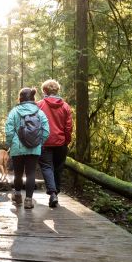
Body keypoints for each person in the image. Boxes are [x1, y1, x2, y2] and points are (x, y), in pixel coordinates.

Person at [5, 88, 49, 209]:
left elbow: (9, 131)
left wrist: (10, 144)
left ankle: (18, 195)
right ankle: (28, 200)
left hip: (17, 148)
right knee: (31, 174)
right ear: (33, 98)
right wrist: (39, 143)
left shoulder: (14, 112)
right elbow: (46, 131)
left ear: (20, 98)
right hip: (34, 149)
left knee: (18, 173)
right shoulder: (40, 113)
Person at [37, 79, 73, 208]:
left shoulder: (39, 105)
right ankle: (55, 192)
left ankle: (52, 193)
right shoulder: (65, 106)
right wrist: (66, 141)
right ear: (57, 90)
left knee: (47, 167)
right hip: (61, 143)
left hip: (44, 142)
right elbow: (68, 127)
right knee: (58, 169)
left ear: (44, 91)